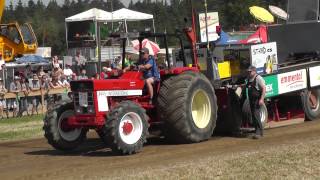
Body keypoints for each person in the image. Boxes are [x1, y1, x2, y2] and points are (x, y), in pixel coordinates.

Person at [246, 66, 266, 139]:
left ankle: (260, 132)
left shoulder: (258, 78)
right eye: (248, 71)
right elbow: (247, 86)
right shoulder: (249, 79)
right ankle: (256, 130)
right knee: (253, 116)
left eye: (250, 71)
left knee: (256, 115)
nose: (248, 73)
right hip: (251, 100)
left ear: (254, 71)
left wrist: (261, 99)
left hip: (257, 100)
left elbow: (264, 88)